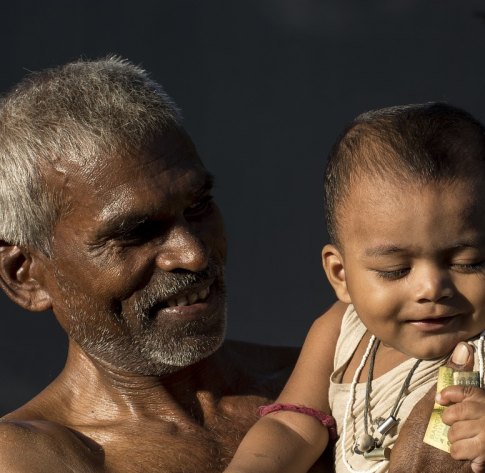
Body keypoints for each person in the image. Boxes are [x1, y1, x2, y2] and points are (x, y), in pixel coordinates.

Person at [0, 56, 330, 473]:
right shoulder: (31, 457)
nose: (192, 253)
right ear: (24, 276)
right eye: (135, 232)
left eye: (199, 206)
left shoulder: (335, 385)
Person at [225, 103, 485, 473]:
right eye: (395, 269)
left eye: (467, 262)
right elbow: (292, 424)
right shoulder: (341, 332)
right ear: (341, 275)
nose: (432, 287)